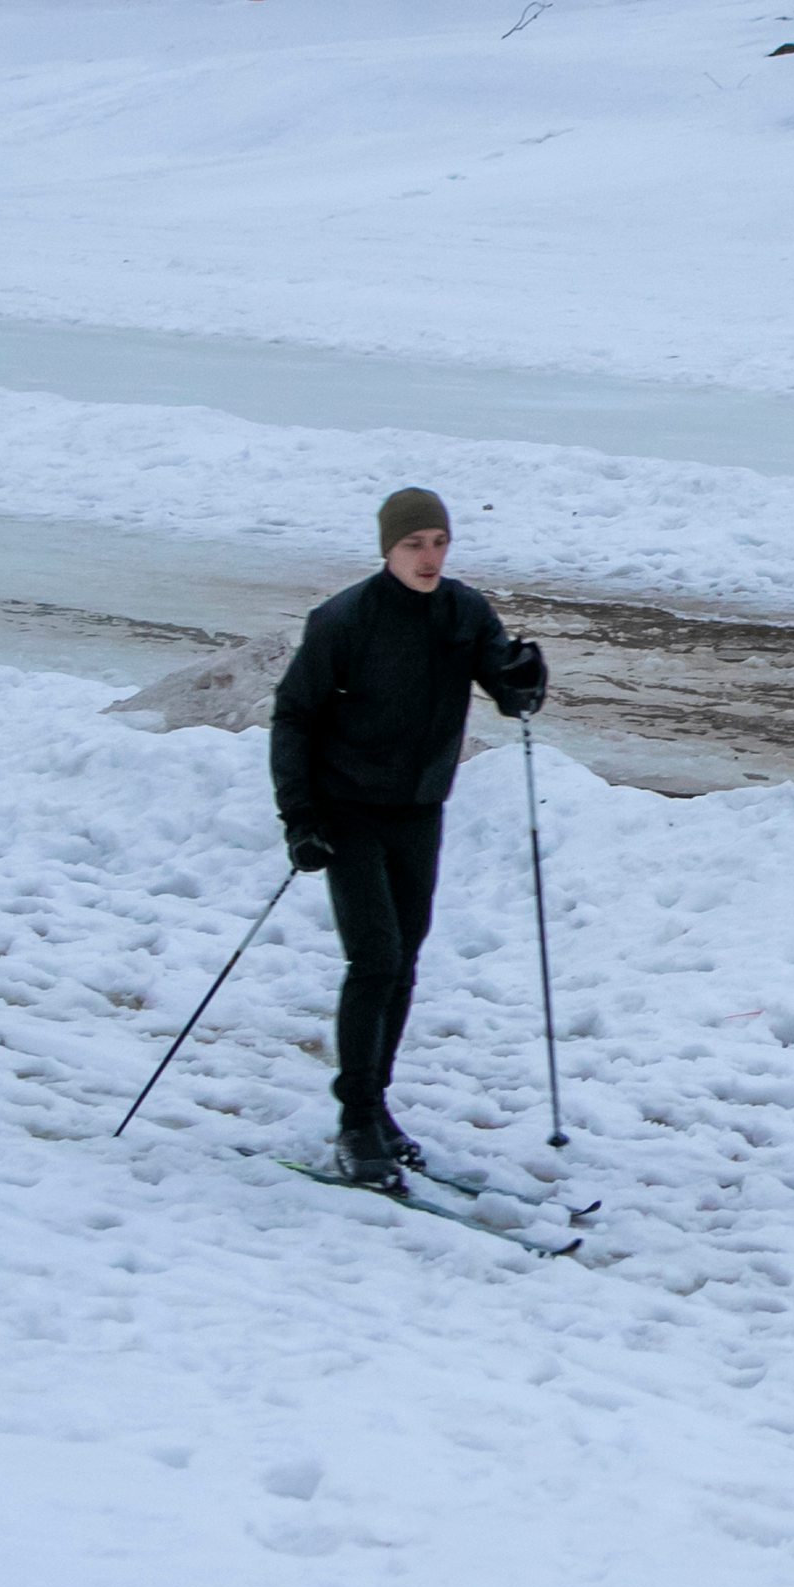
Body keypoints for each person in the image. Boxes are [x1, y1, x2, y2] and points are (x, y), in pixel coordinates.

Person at [270, 487, 547, 1182]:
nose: (429, 557)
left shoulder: (464, 610)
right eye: (413, 544)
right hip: (347, 810)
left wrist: (524, 683)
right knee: (376, 959)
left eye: (438, 542)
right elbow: (294, 717)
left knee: (405, 959)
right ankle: (354, 1120)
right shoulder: (344, 620)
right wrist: (300, 818)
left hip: (420, 808)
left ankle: (376, 1106)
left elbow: (506, 686)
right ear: (387, 550)